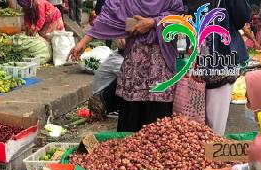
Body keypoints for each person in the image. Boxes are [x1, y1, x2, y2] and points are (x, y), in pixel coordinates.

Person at [69, 0, 184, 132]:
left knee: (158, 128)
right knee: (131, 123)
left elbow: (179, 16)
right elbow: (107, 16)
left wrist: (152, 22)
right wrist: (83, 42)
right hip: (134, 67)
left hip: (161, 66)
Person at [197, 0, 252, 136]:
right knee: (215, 124)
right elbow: (242, 17)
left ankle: (201, 152)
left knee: (191, 119)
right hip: (222, 55)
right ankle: (209, 152)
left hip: (194, 51)